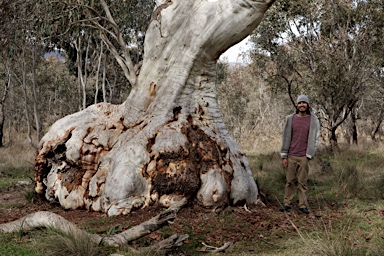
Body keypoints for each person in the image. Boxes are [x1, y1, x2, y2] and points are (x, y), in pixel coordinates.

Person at [279, 95, 320, 214]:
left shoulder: (313, 120)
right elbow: (285, 137)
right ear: (297, 105)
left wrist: (309, 154)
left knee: (302, 182)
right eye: (300, 103)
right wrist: (284, 156)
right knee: (290, 181)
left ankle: (302, 205)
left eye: (304, 103)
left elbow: (315, 138)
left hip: (304, 156)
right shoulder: (290, 119)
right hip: (291, 155)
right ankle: (287, 204)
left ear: (308, 105)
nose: (302, 105)